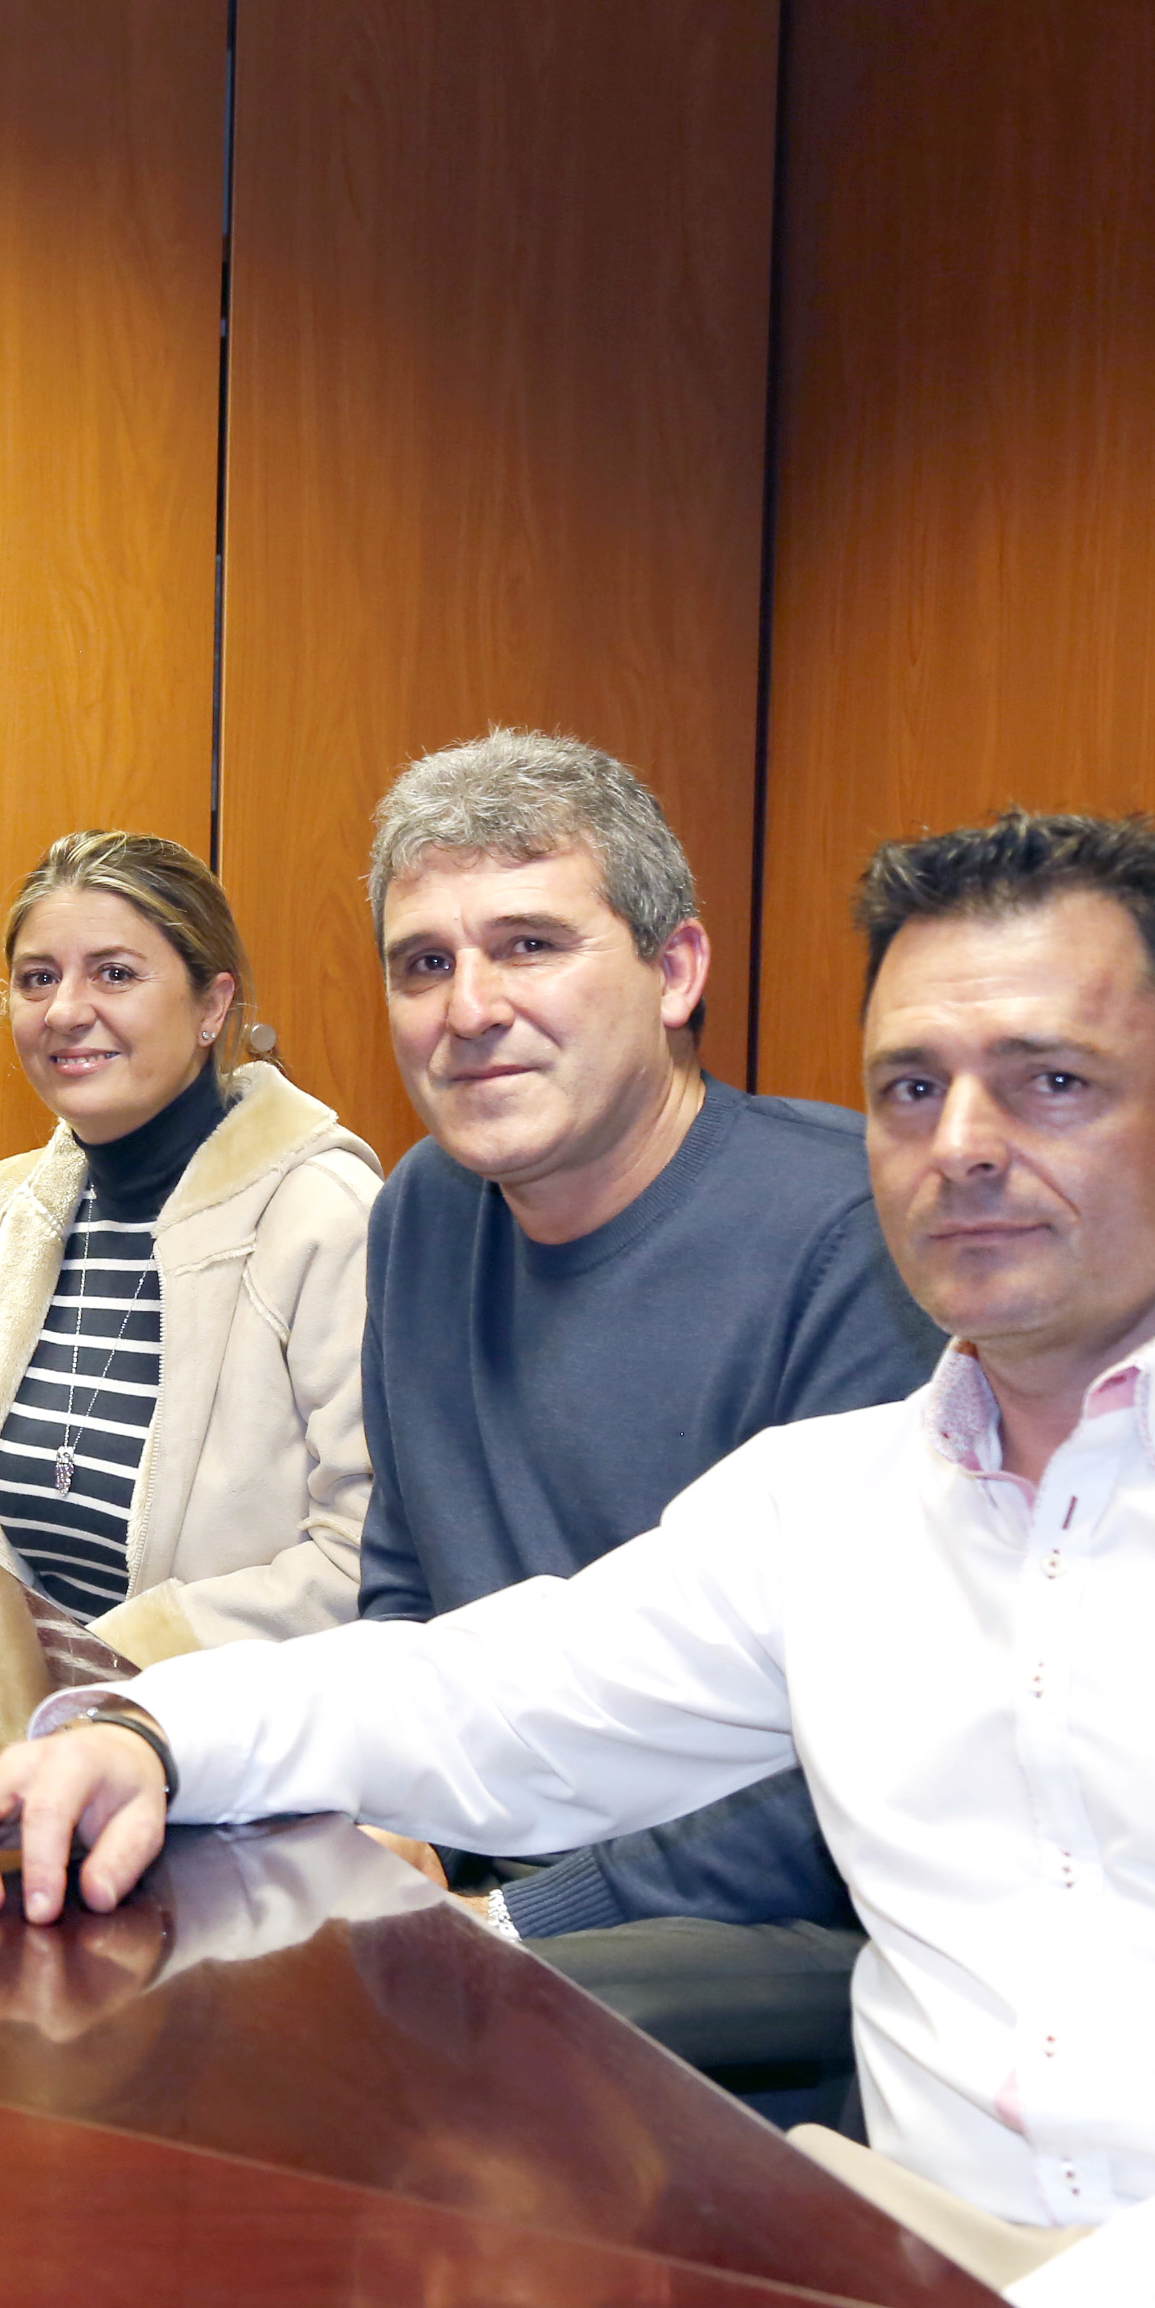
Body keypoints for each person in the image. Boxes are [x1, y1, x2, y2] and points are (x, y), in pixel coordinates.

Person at [0, 812, 1155, 2308]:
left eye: (1052, 1081)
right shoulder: (837, 1500)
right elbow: (499, 1694)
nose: (964, 1143)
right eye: (911, 1088)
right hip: (903, 2283)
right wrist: (144, 1737)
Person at [350, 731, 941, 1963]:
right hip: (486, 1886)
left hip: (750, 1939)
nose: (470, 1009)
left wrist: (520, 1918)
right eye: (424, 963)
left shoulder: (858, 1239)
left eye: (529, 944)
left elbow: (864, 1751)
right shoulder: (420, 1207)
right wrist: (399, 1821)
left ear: (674, 971)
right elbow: (406, 1591)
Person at [0, 829, 378, 1664]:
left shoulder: (327, 1218)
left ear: (213, 1007)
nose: (67, 1011)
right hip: (29, 1748)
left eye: (115, 973)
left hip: (231, 1756)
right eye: (39, 978)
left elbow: (367, 1557)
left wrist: (114, 1678)